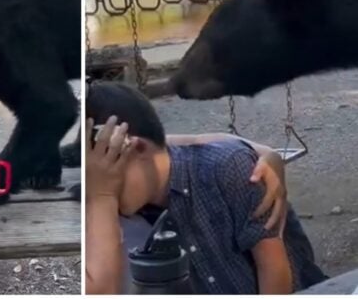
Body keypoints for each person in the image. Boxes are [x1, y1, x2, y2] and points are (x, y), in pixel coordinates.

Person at [85, 82, 327, 294]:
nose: (104, 187)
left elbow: (274, 269)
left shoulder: (228, 169)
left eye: (108, 174)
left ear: (135, 148)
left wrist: (268, 155)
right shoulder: (120, 207)